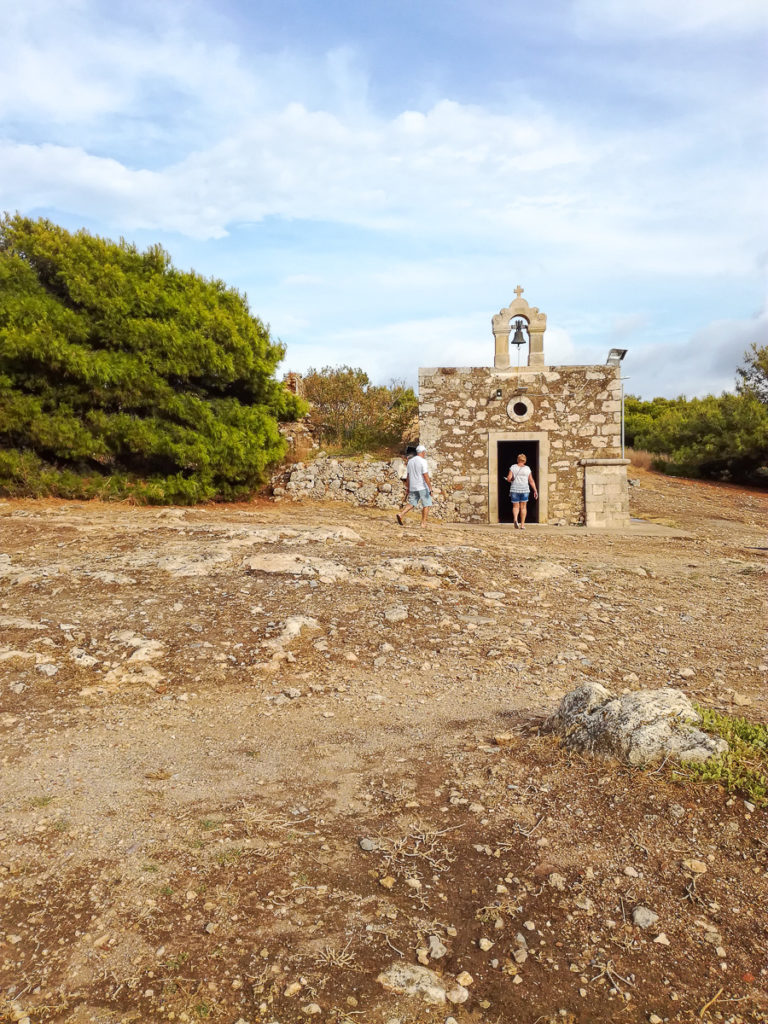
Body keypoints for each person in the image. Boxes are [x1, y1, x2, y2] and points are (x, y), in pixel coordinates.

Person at [397, 443, 433, 527]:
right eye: (425, 453)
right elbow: (425, 475)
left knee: (412, 503)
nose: (425, 454)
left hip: (413, 486)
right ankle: (423, 523)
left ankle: (401, 514)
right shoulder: (423, 461)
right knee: (427, 504)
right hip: (422, 486)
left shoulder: (410, 462)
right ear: (423, 452)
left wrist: (408, 487)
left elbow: (408, 476)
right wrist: (430, 487)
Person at [505, 453, 538, 529]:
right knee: (523, 507)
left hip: (514, 489)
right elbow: (531, 480)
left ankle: (515, 519)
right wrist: (535, 490)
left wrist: (508, 479)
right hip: (525, 489)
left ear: (518, 460)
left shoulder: (513, 467)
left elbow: (509, 478)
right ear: (525, 461)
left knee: (516, 506)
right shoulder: (527, 468)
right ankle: (522, 525)